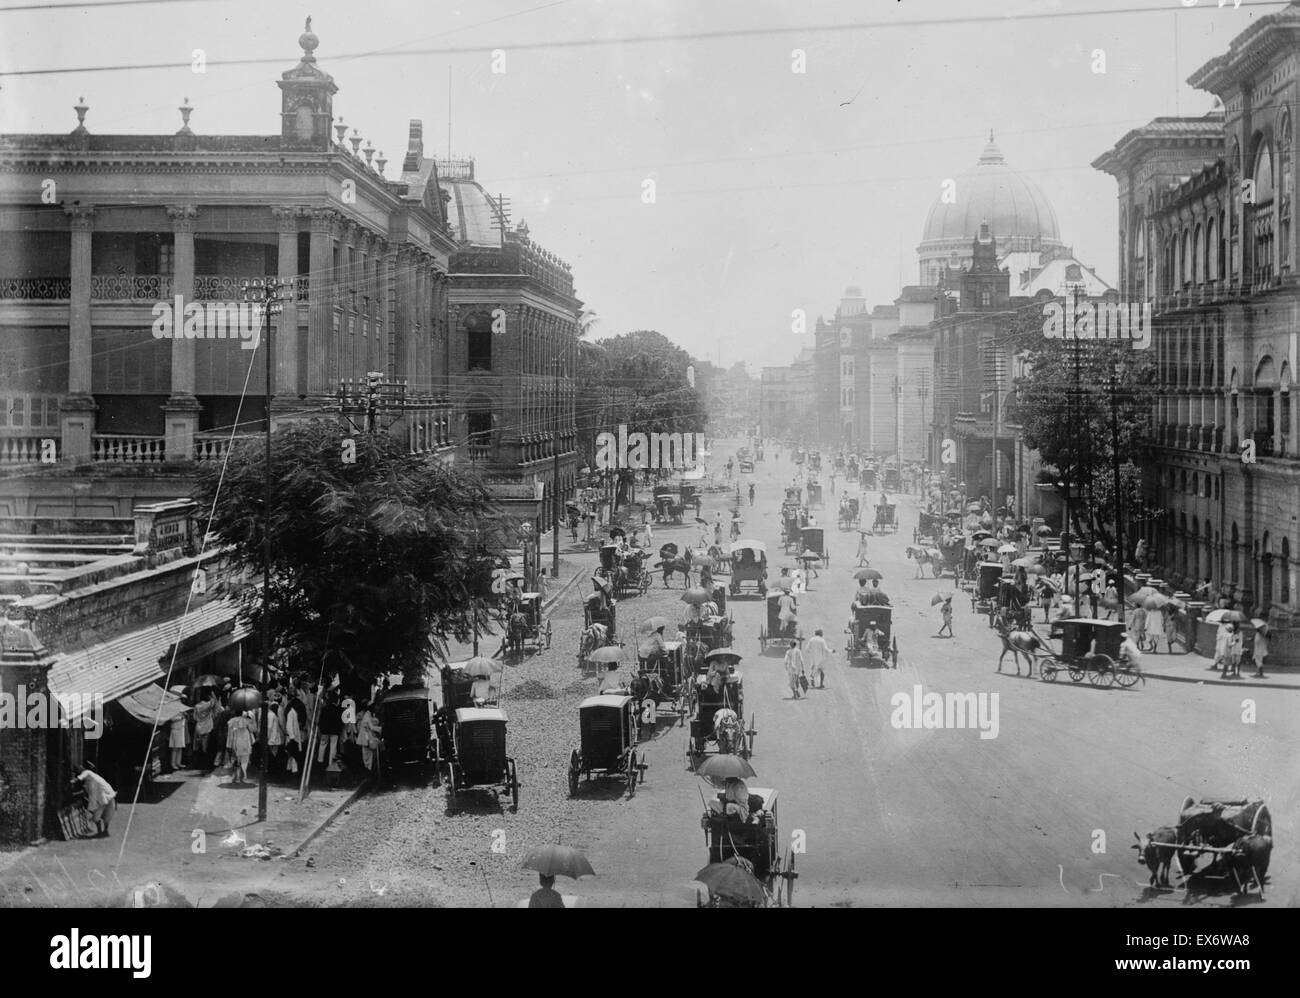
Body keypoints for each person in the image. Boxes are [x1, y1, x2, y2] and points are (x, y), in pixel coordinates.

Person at [72, 764, 117, 838]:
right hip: (103, 797)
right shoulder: (88, 782)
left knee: (107, 816)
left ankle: (105, 831)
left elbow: (79, 778)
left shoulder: (88, 772)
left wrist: (72, 781)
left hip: (107, 795)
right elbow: (89, 793)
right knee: (97, 817)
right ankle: (100, 831)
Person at [226, 708, 255, 784]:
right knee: (244, 759)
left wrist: (229, 745)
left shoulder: (231, 721)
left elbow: (229, 734)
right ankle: (243, 776)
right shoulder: (246, 720)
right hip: (245, 742)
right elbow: (252, 730)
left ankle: (235, 776)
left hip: (235, 742)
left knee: (236, 760)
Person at [193, 689, 216, 770]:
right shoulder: (208, 705)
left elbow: (195, 718)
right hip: (207, 727)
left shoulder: (196, 706)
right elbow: (214, 701)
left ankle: (197, 763)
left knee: (198, 745)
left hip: (199, 727)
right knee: (205, 746)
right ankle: (205, 764)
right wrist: (212, 694)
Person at [168, 708, 189, 772]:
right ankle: (173, 763)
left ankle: (178, 763)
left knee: (180, 747)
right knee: (175, 747)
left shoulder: (181, 709)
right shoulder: (173, 709)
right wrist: (180, 717)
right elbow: (171, 718)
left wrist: (184, 716)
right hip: (175, 729)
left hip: (181, 729)